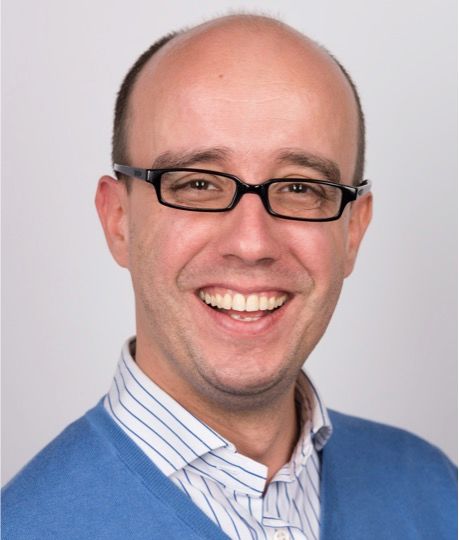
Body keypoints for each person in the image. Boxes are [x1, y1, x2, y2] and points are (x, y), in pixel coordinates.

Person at [2, 14, 456, 540]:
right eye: (198, 184)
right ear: (118, 219)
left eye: (300, 188)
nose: (251, 243)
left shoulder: (435, 494)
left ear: (353, 230)